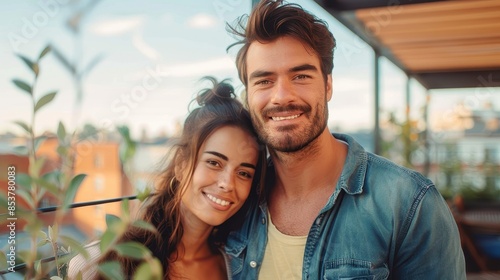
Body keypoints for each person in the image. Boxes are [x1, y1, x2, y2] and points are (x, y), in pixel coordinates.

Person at [224, 1, 467, 279]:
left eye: (301, 76)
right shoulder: (235, 200)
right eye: (264, 81)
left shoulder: (409, 203)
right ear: (248, 95)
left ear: (328, 85)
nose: (282, 96)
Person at [68, 77, 267, 279]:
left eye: (244, 173)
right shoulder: (101, 261)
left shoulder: (235, 268)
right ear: (181, 165)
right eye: (214, 163)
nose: (227, 183)